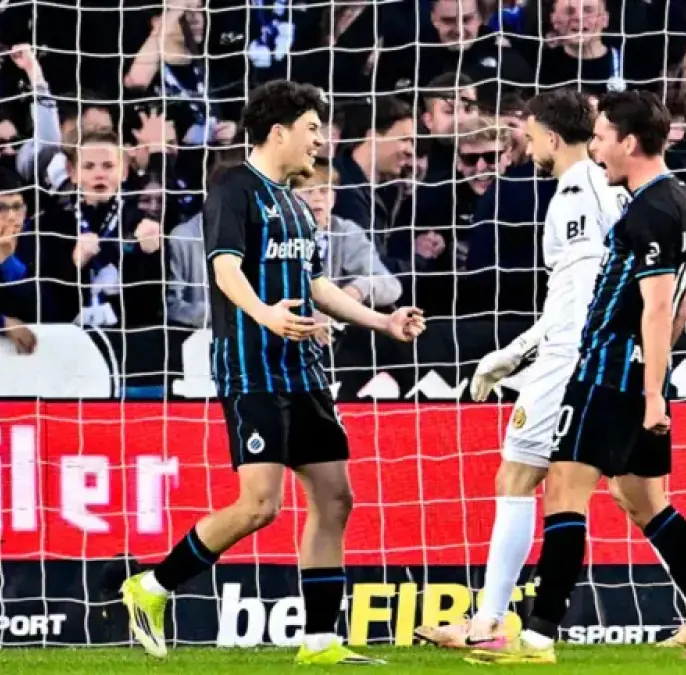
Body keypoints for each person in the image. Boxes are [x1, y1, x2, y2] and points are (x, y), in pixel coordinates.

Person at [119, 80, 427, 665]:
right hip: (252, 370)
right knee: (260, 505)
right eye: (312, 129)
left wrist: (382, 322)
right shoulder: (234, 188)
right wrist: (265, 314)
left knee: (335, 498)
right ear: (279, 131)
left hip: (303, 372)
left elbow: (316, 284)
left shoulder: (295, 203)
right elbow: (225, 269)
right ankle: (152, 586)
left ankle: (320, 642)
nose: (320, 140)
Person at [465, 90, 686, 665]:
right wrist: (655, 378)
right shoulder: (680, 199)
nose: (595, 149)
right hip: (637, 373)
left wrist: (651, 394)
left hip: (606, 371)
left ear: (629, 143)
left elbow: (658, 307)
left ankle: (536, 639)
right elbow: (682, 303)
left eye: (602, 139)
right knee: (643, 500)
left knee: (564, 495)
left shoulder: (648, 212)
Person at [412, 87, 625, 650]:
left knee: (518, 477)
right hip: (592, 352)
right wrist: (518, 350)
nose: (528, 150)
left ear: (552, 137)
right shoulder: (602, 188)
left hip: (569, 357)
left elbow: (582, 295)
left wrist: (531, 353)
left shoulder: (576, 192)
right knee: (635, 494)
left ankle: (490, 623)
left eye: (530, 139)